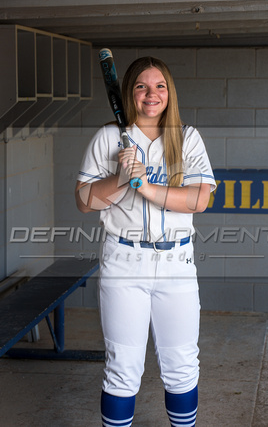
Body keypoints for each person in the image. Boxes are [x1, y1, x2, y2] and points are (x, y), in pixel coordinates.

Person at [75, 56, 216, 427]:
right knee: (123, 369)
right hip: (124, 262)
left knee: (182, 365)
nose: (150, 94)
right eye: (141, 86)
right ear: (129, 93)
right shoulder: (109, 137)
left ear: (169, 93)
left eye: (159, 86)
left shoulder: (187, 138)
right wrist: (121, 177)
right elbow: (84, 202)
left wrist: (148, 187)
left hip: (176, 264)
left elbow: (199, 201)